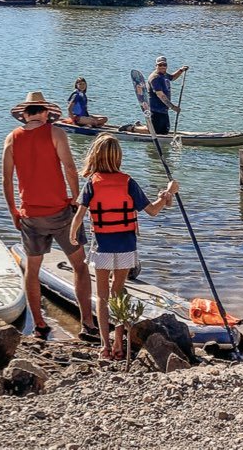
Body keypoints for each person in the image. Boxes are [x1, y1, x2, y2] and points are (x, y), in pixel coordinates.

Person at [69, 136, 175, 360]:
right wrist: (168, 194)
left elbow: (78, 216)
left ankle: (104, 347)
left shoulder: (92, 183)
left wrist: (73, 235)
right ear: (119, 157)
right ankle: (119, 344)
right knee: (118, 293)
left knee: (102, 297)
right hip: (126, 247)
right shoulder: (128, 182)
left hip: (102, 248)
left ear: (95, 156)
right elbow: (153, 211)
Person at [4, 91, 97, 342]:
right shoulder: (56, 133)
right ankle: (87, 323)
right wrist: (78, 199)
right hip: (60, 213)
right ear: (45, 112)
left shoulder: (11, 139)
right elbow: (69, 167)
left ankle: (40, 325)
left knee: (32, 269)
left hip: (30, 215)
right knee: (79, 266)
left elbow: (6, 179)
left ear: (24, 114)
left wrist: (14, 210)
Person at [147, 56, 189, 135]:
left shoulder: (164, 74)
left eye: (164, 65)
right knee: (155, 132)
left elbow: (172, 78)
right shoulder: (155, 78)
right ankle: (133, 128)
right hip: (156, 110)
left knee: (165, 131)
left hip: (164, 110)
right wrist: (173, 107)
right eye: (160, 65)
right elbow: (160, 95)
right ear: (156, 66)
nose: (162, 67)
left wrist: (181, 70)